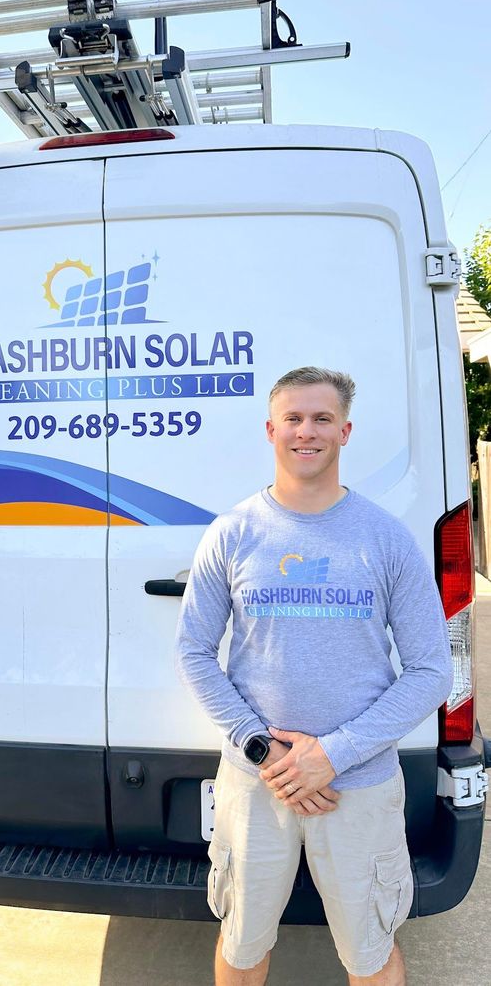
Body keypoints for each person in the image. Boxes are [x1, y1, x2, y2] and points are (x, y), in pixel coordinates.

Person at [175, 366, 453, 986]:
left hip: (359, 786)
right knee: (243, 943)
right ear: (270, 429)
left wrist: (331, 755)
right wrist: (264, 748)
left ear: (346, 431)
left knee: (370, 952)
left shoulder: (388, 540)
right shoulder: (234, 532)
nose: (308, 431)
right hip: (256, 784)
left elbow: (433, 670)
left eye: (323, 418)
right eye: (294, 418)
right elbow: (193, 651)